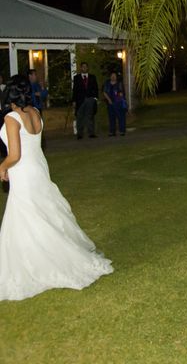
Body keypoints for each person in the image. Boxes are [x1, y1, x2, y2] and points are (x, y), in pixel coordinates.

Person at [0, 75, 113, 301]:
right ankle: (43, 253)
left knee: (28, 216)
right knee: (40, 213)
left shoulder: (12, 118)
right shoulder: (35, 113)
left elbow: (14, 154)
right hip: (39, 168)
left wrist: (2, 167)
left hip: (24, 171)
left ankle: (40, 261)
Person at [72, 62, 99, 140]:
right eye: (83, 67)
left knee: (90, 116)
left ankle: (91, 133)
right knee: (79, 117)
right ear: (81, 68)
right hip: (80, 100)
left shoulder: (92, 77)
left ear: (87, 68)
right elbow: (75, 90)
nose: (84, 68)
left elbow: (96, 88)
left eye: (85, 67)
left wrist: (95, 98)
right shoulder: (76, 78)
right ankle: (80, 134)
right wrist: (74, 101)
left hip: (90, 99)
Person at [103, 71, 127, 137]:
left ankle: (122, 131)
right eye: (112, 75)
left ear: (116, 77)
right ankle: (112, 131)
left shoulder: (119, 83)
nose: (113, 77)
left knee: (121, 117)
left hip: (118, 103)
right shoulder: (107, 83)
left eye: (114, 75)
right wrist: (109, 100)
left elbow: (122, 93)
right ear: (110, 76)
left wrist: (120, 96)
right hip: (110, 103)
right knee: (111, 118)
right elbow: (104, 92)